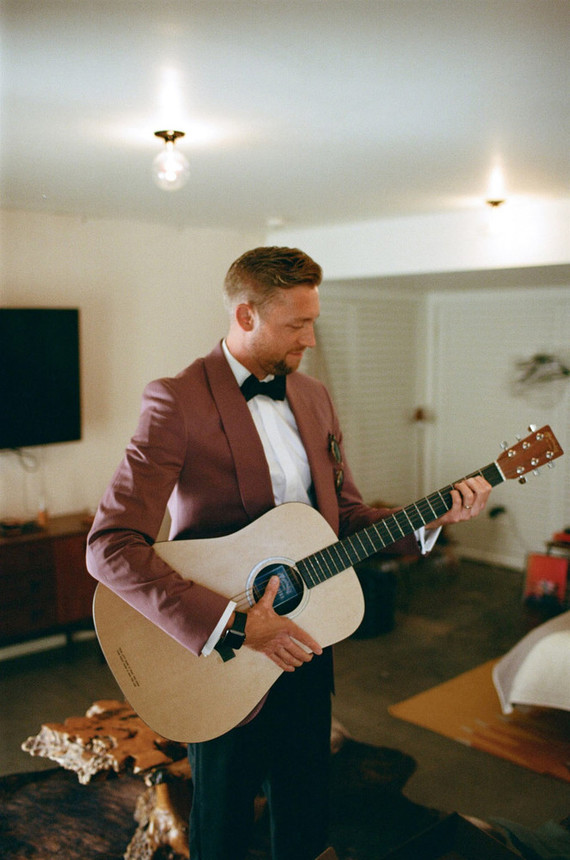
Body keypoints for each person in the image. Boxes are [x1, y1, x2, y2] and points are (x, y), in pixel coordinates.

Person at [86, 246, 492, 860]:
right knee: (221, 824)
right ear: (246, 315)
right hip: (221, 655)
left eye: (313, 320)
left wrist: (431, 518)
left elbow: (344, 519)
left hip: (307, 642)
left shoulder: (314, 398)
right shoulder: (176, 401)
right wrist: (236, 624)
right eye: (295, 324)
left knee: (305, 810)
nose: (309, 337)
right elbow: (109, 546)